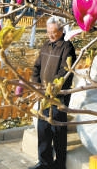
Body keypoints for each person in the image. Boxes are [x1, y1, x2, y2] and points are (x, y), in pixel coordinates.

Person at [29, 16, 76, 169]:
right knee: (43, 129)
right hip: (43, 95)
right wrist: (36, 84)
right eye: (48, 32)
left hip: (58, 97)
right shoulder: (46, 45)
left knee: (58, 131)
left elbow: (64, 72)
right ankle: (44, 162)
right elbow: (36, 67)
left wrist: (51, 89)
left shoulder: (67, 47)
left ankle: (60, 164)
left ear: (61, 31)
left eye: (53, 32)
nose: (50, 35)